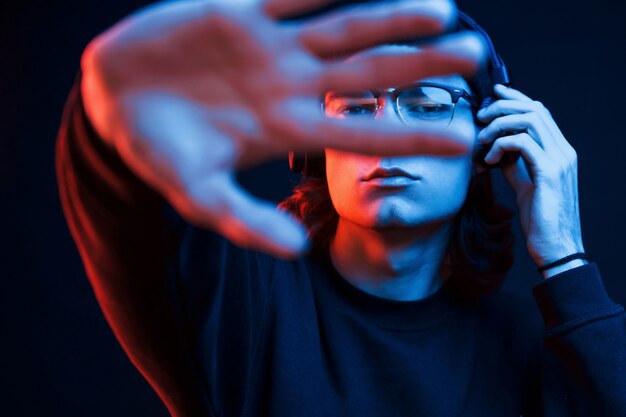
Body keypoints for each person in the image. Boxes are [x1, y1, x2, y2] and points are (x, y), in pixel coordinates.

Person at [56, 0, 626, 416]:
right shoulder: (247, 301)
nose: (385, 134)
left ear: (486, 146)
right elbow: (133, 225)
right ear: (312, 147)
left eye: (427, 104)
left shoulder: (535, 344)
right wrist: (109, 130)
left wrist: (566, 260)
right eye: (354, 108)